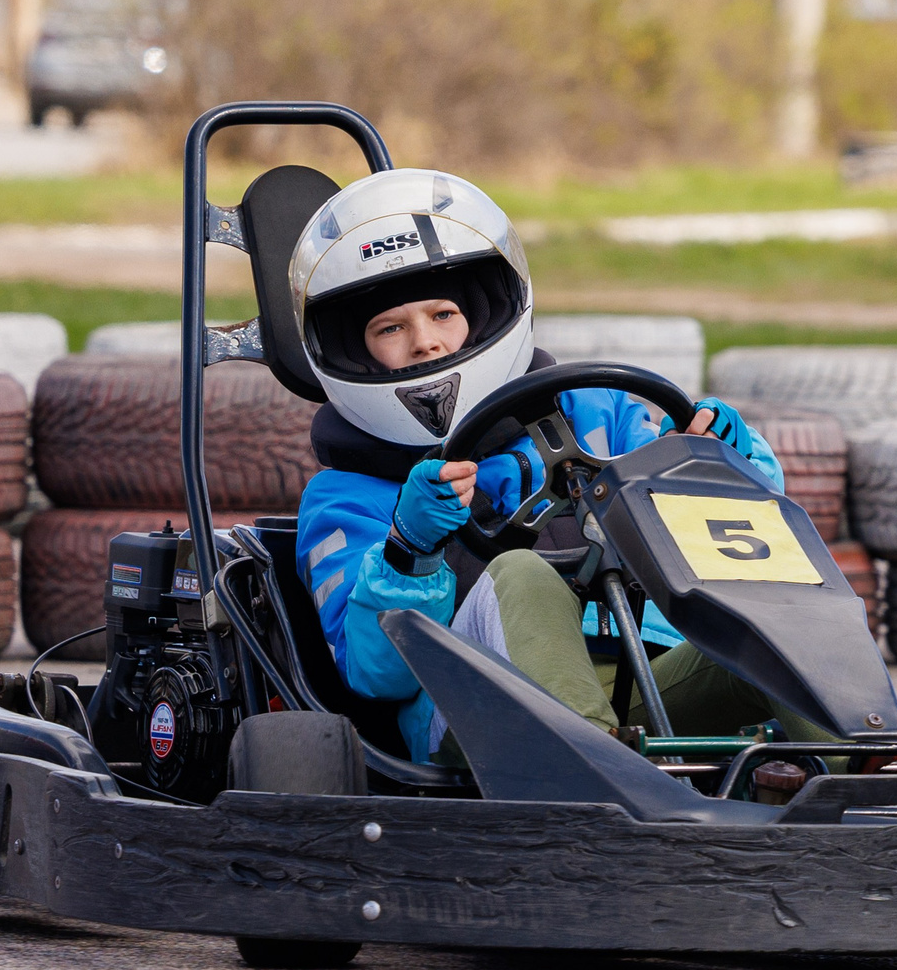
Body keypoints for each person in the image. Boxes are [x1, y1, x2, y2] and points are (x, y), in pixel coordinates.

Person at [290, 168, 827, 760]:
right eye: (390, 327)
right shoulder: (344, 497)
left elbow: (741, 539)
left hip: (645, 683)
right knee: (522, 571)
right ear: (351, 351)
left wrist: (721, 457)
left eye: (443, 314)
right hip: (473, 709)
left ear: (486, 312)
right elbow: (377, 676)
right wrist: (408, 549)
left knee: (776, 615)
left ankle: (862, 774)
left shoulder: (600, 413)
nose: (426, 343)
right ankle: (599, 775)